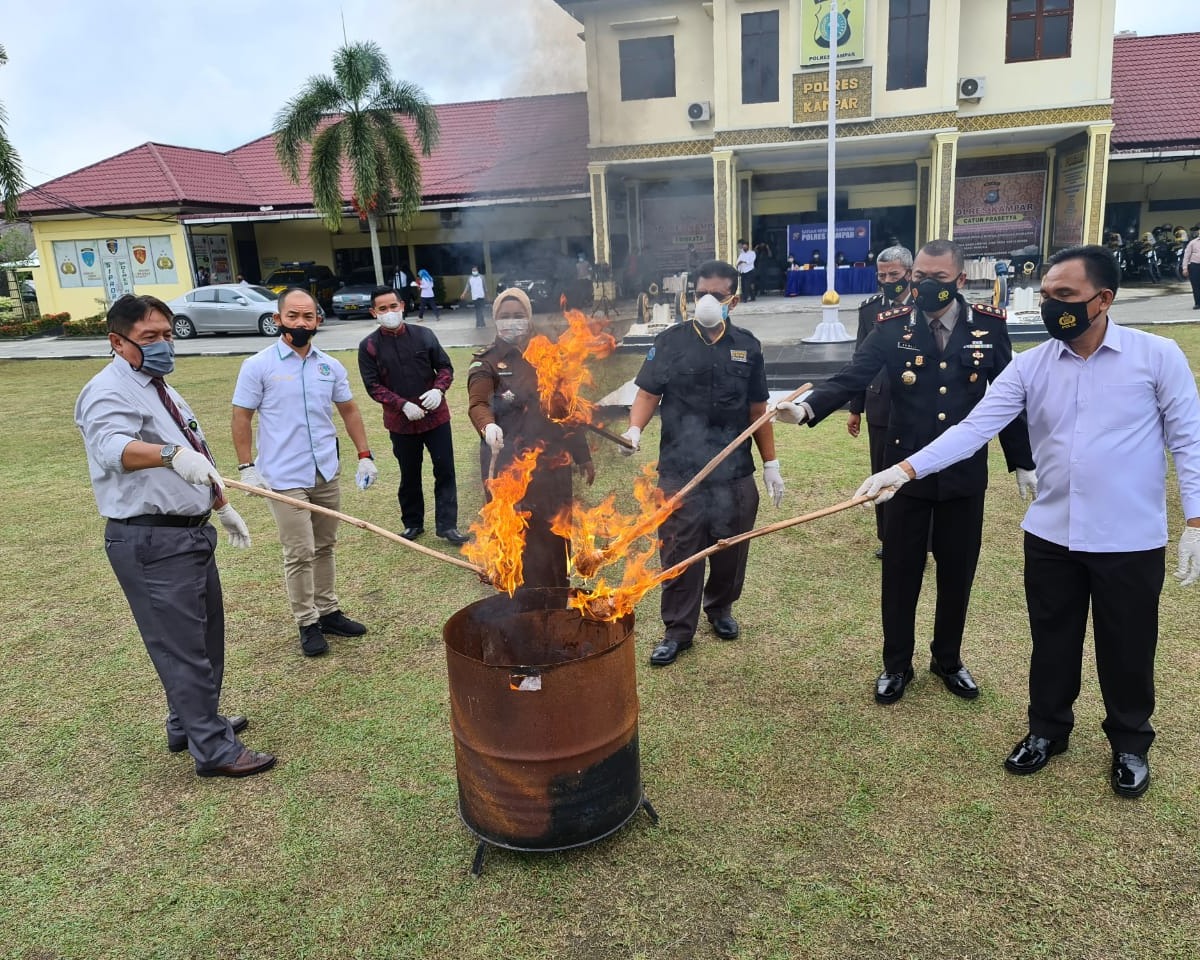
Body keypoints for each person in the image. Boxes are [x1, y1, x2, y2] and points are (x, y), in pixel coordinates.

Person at [856, 245, 1200, 799]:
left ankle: (1130, 742)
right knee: (1052, 640)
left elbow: (1189, 440)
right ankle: (1047, 730)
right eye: (1045, 296)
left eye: (1064, 296)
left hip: (1129, 536)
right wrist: (903, 469)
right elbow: (973, 428)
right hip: (1052, 533)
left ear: (1103, 299)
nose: (1051, 306)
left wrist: (1197, 522)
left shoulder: (1155, 356)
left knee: (1128, 644)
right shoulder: (1031, 365)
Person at [777, 239, 1035, 705]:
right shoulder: (891, 326)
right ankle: (896, 664)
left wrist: (1022, 461)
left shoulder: (989, 328)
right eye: (919, 276)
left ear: (960, 280)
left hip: (962, 476)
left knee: (957, 572)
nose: (924, 285)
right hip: (901, 474)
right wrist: (808, 409)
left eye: (937, 278)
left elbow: (1007, 400)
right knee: (901, 572)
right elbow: (853, 375)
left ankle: (947, 658)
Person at [74, 293, 274, 779]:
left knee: (204, 638)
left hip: (188, 534)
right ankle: (215, 750)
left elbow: (195, 450)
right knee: (181, 645)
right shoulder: (108, 391)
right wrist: (167, 455)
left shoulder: (158, 385)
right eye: (149, 337)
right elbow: (112, 449)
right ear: (117, 342)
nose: (164, 344)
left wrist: (220, 506)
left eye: (167, 334)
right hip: (151, 541)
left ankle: (189, 723)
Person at [621, 259, 784, 667]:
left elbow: (758, 409)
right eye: (700, 294)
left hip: (733, 471)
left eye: (718, 294)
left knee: (730, 547)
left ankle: (720, 608)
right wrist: (635, 431)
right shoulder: (672, 341)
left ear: (735, 298)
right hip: (679, 469)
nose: (707, 301)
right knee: (678, 549)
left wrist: (770, 464)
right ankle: (678, 629)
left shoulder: (748, 345)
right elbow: (646, 394)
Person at [231, 287, 379, 658]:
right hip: (283, 478)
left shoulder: (329, 365)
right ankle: (307, 622)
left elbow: (349, 411)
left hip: (325, 472)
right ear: (278, 319)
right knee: (300, 551)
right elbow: (241, 417)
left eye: (308, 316)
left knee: (326, 545)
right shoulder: (258, 365)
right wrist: (247, 468)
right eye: (293, 316)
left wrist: (365, 455)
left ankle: (328, 611)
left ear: (318, 320)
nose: (301, 322)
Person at [466, 287, 595, 590]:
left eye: (519, 315)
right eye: (505, 316)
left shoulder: (548, 354)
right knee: (515, 537)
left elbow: (568, 411)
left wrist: (583, 456)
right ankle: (517, 609)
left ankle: (556, 601)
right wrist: (488, 427)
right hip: (508, 463)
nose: (512, 321)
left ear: (529, 317)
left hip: (552, 462)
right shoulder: (486, 362)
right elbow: (478, 403)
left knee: (555, 536)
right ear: (495, 319)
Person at [358, 286, 468, 545]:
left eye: (393, 307)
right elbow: (373, 385)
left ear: (402, 306)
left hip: (436, 418)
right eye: (382, 309)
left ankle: (448, 526)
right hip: (401, 423)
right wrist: (402, 405)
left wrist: (438, 390)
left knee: (445, 470)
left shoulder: (424, 335)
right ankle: (412, 524)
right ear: (374, 312)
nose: (389, 312)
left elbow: (444, 367)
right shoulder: (369, 346)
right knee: (409, 473)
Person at [846, 244, 914, 558]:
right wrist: (855, 408)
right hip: (880, 403)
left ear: (910, 274)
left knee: (914, 474)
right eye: (882, 275)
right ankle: (888, 538)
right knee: (881, 471)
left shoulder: (924, 306)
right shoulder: (869, 309)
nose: (888, 280)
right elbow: (861, 361)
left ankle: (919, 542)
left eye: (895, 275)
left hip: (917, 404)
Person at [1182, 229, 1200, 309]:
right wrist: (1185, 268)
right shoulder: (1192, 242)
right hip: (1194, 266)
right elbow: (1186, 256)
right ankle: (1197, 303)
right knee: (1195, 285)